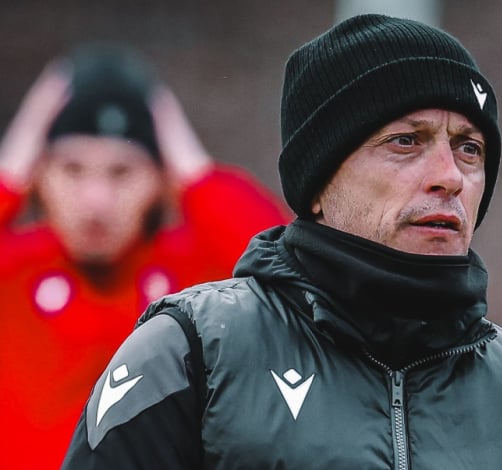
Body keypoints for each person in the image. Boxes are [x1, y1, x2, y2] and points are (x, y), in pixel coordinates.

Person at [62, 15, 502, 469]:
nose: (450, 176)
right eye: (405, 141)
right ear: (318, 181)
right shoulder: (191, 354)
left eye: (469, 148)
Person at [0, 43, 291, 469]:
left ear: (161, 180)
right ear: (38, 176)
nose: (96, 201)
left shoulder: (193, 274)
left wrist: (194, 171)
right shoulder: (14, 267)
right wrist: (11, 167)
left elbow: (286, 268)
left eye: (122, 172)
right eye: (71, 169)